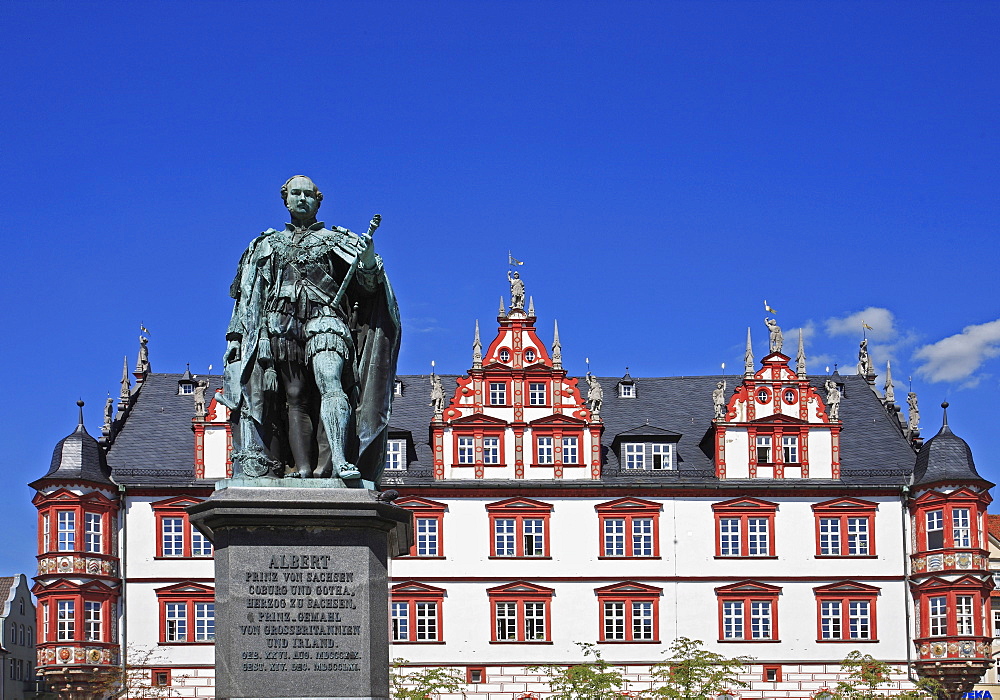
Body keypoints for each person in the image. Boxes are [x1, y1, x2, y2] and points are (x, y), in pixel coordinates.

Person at [222, 176, 401, 485]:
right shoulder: (266, 244)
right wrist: (237, 338)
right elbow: (249, 298)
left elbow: (370, 285)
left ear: (319, 201)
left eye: (308, 194)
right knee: (294, 397)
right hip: (279, 326)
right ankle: (302, 469)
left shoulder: (337, 241)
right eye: (296, 193)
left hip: (325, 319)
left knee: (330, 382)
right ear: (285, 199)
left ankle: (341, 461)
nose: (302, 198)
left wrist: (368, 257)